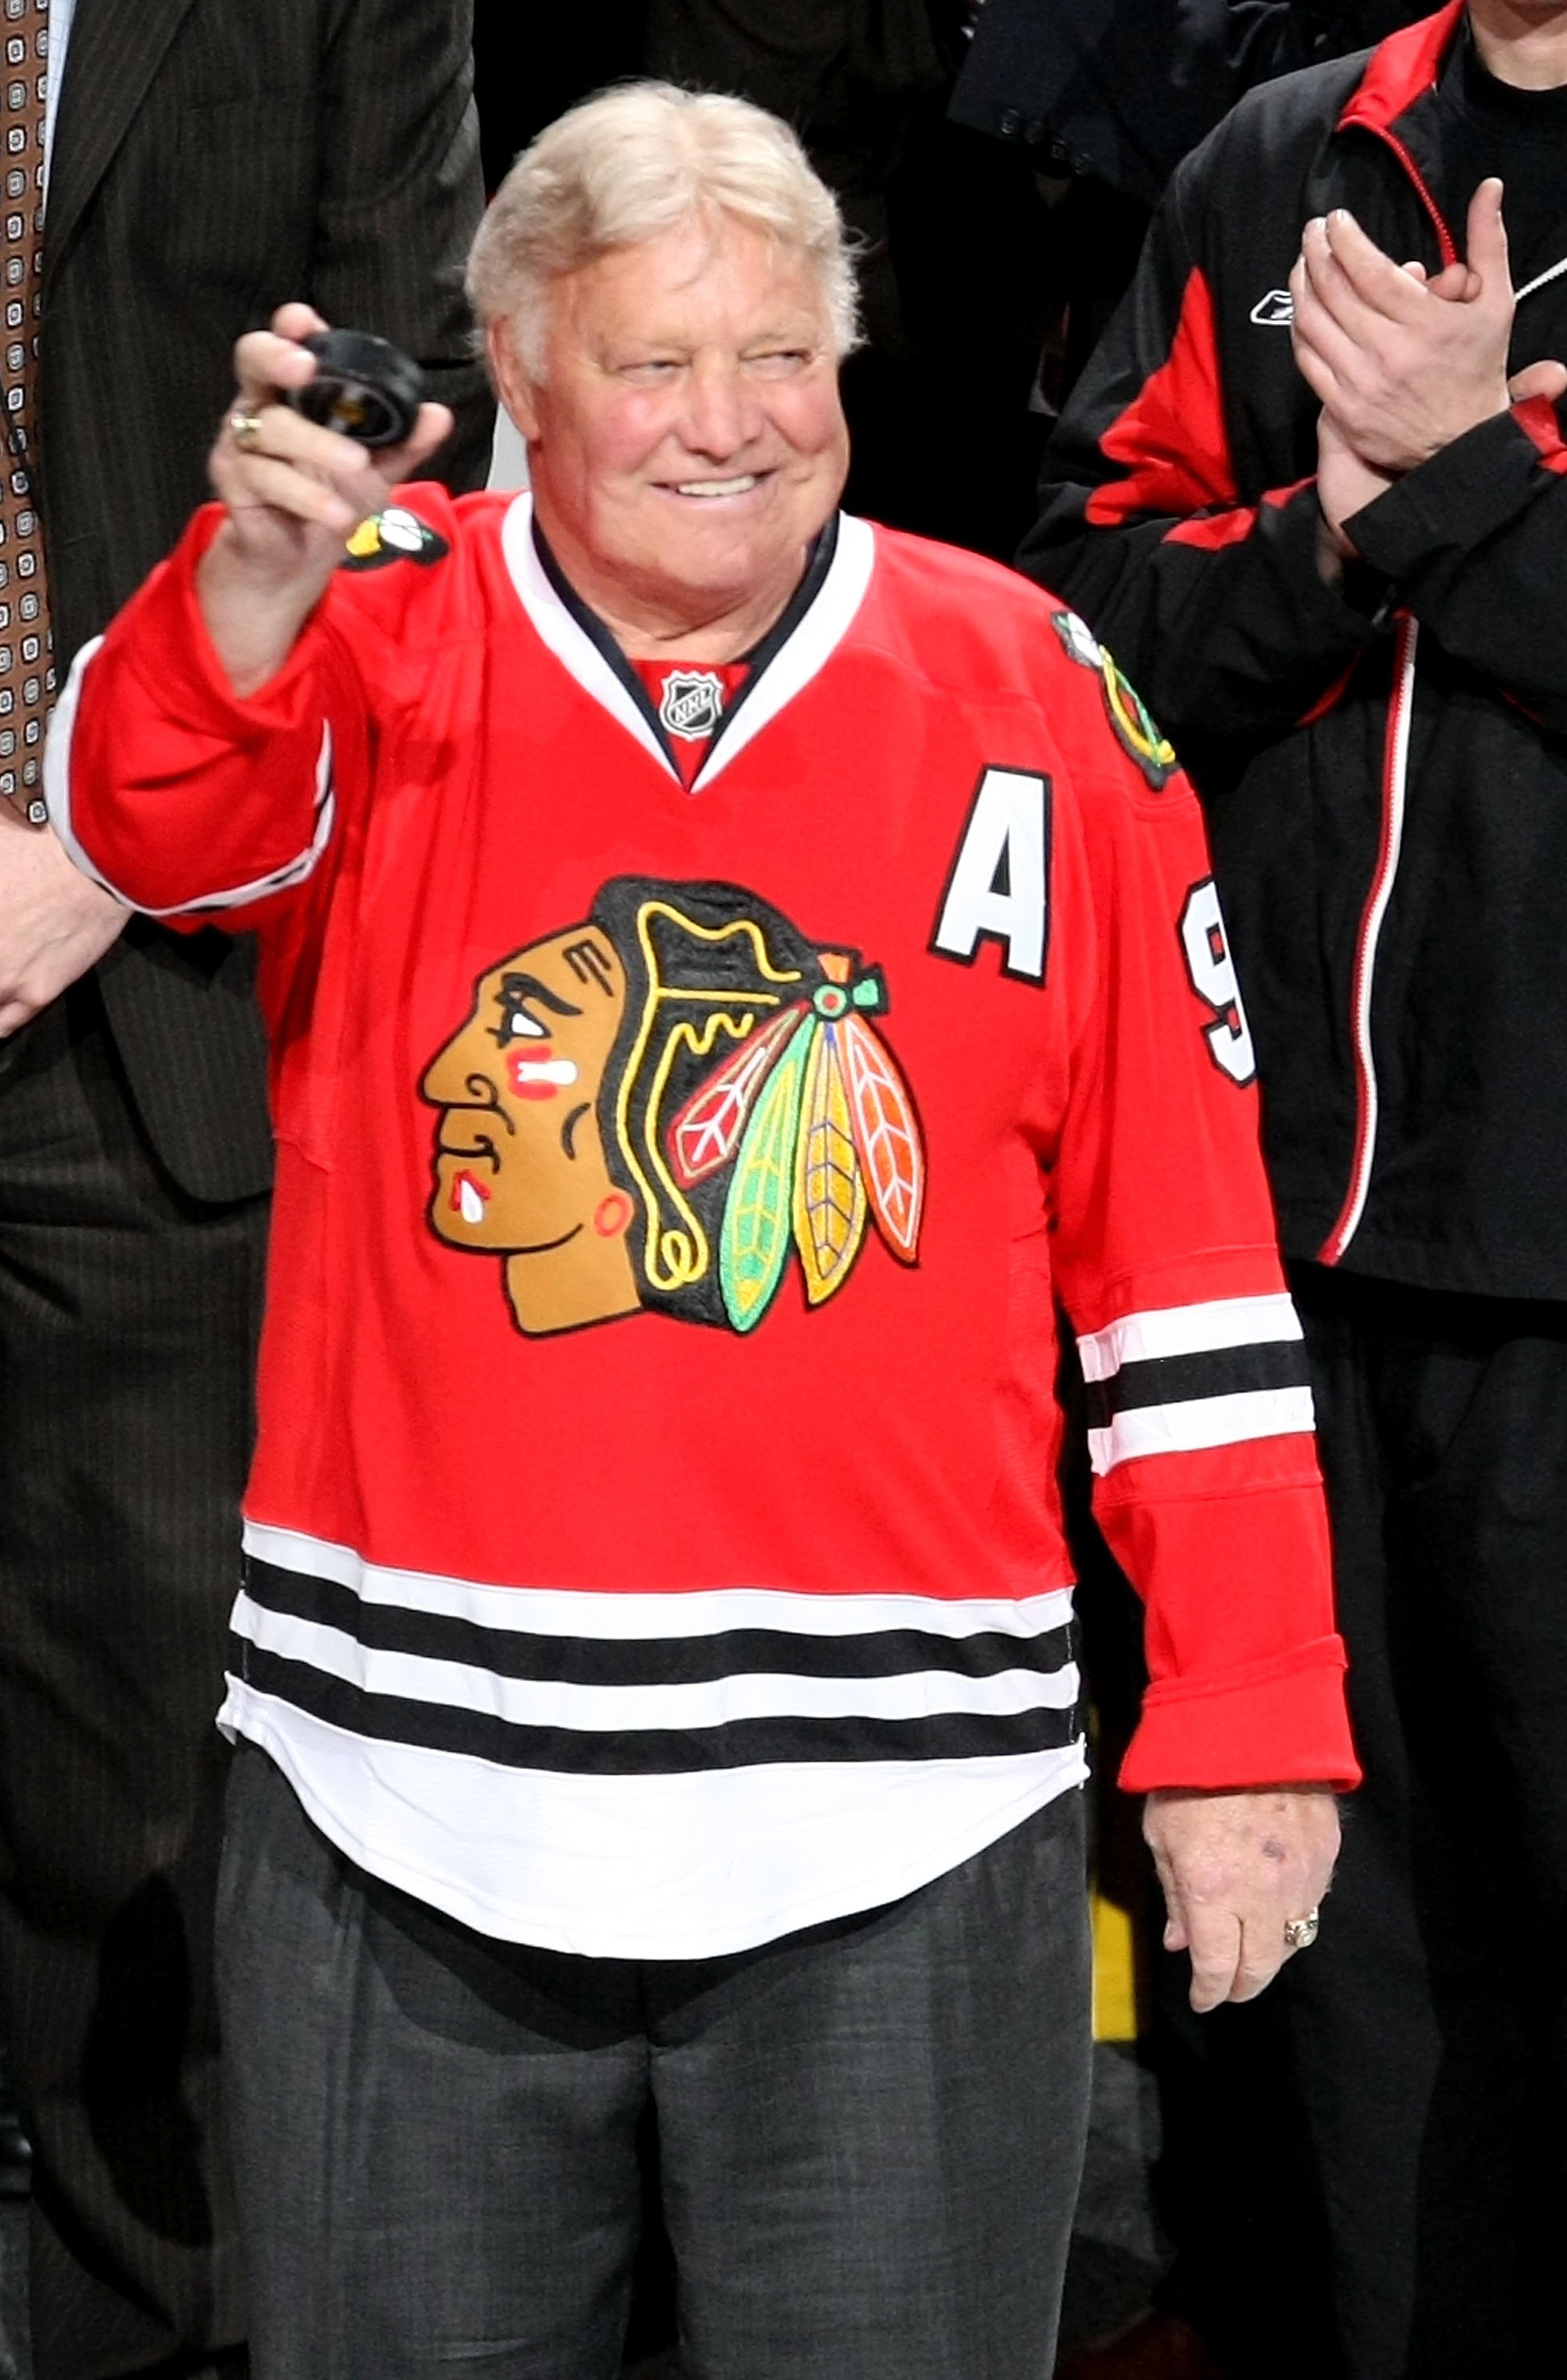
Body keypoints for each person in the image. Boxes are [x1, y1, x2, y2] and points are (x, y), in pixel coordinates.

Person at [52, 83, 1354, 2380]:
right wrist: (243, 582)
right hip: (399, 1803)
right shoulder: (368, 631)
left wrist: (1247, 1718)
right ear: (516, 379)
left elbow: (1183, 1269)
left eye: (782, 357)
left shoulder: (1039, 694)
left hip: (902, 1821)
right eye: (654, 364)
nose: (728, 426)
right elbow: (157, 828)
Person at [0, 3, 489, 2376]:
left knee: (163, 1805)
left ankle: (155, 2350)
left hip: (179, 966)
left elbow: (409, 446)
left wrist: (99, 834)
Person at [1024, 1, 1567, 2369]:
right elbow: (1080, 629)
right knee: (1292, 1946)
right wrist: (1342, 530)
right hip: (1261, 1249)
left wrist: (1467, 480)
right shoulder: (1275, 152)